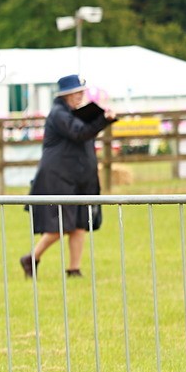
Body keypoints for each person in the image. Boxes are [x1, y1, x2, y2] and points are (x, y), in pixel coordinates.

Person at [20, 74, 116, 279]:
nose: (80, 96)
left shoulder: (74, 113)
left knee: (80, 223)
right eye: (76, 93)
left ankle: (74, 269)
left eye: (81, 92)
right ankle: (32, 257)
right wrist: (103, 120)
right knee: (62, 224)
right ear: (65, 95)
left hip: (79, 177)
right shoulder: (59, 114)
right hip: (59, 177)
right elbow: (79, 133)